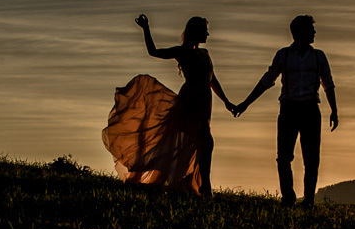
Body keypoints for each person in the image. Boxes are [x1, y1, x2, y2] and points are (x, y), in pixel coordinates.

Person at [102, 14, 237, 198]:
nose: (208, 34)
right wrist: (146, 28)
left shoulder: (205, 54)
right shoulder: (183, 52)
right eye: (205, 30)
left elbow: (212, 80)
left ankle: (191, 182)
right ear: (195, 32)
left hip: (204, 102)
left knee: (197, 143)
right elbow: (154, 51)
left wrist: (226, 101)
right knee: (201, 142)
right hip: (190, 101)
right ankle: (204, 186)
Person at [235, 15, 338, 209]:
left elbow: (328, 83)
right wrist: (245, 103)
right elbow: (267, 80)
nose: (314, 32)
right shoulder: (283, 55)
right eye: (310, 29)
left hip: (310, 110)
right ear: (299, 32)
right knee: (283, 157)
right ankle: (288, 198)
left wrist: (334, 110)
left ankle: (308, 201)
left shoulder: (319, 56)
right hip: (289, 110)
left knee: (311, 159)